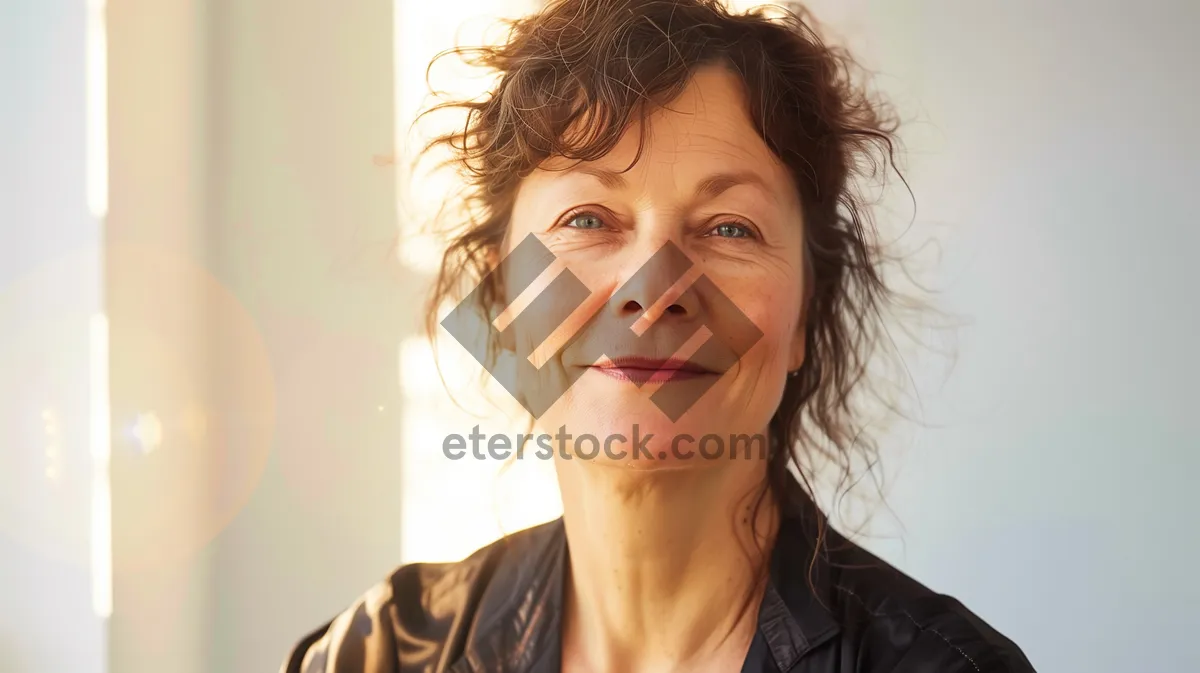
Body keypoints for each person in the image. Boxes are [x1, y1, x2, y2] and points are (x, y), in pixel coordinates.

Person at [281, 0, 1034, 671]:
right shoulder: (377, 654)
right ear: (500, 301)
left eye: (729, 227)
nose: (654, 287)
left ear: (805, 313)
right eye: (587, 220)